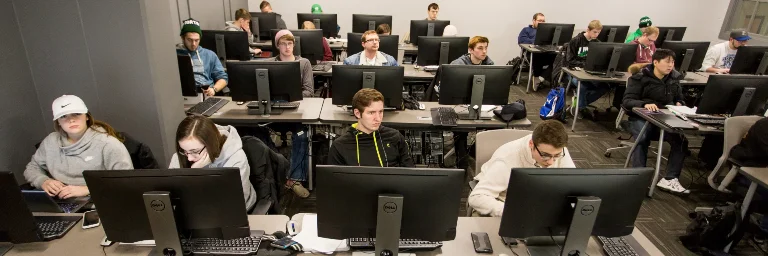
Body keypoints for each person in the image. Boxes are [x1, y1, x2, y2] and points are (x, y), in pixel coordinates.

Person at [24, 95, 133, 199]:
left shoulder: (108, 143)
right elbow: (32, 168)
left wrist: (87, 189)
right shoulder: (50, 142)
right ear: (58, 122)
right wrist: (43, 181)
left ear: (86, 116)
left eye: (76, 114)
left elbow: (126, 181)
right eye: (63, 116)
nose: (71, 120)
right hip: (61, 200)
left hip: (99, 200)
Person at [468, 120, 576, 217]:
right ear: (531, 144)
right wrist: (513, 212)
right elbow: (477, 197)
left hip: (537, 202)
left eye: (556, 156)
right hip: (505, 202)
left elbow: (573, 184)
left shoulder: (558, 150)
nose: (551, 161)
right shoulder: (507, 159)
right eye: (545, 155)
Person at [623, 49, 690, 194]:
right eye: (667, 62)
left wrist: (679, 103)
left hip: (664, 118)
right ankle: (638, 178)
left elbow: (679, 98)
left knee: (681, 140)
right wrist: (643, 104)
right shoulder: (639, 78)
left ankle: (670, 179)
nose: (670, 65)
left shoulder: (674, 78)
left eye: (672, 62)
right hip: (640, 117)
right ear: (655, 62)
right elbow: (627, 101)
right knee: (642, 137)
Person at [169, 115, 257, 210]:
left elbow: (231, 204)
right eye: (184, 150)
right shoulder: (181, 156)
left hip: (234, 212)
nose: (189, 158)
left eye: (194, 151)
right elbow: (173, 199)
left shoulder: (236, 159)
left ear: (211, 144)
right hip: (194, 213)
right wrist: (193, 173)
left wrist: (196, 176)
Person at [328, 88, 414, 167]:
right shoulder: (340, 146)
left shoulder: (395, 137)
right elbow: (334, 181)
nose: (378, 118)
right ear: (357, 113)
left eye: (380, 112)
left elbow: (410, 174)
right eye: (371, 113)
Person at [566, 20, 608, 120]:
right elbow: (569, 60)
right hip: (573, 71)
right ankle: (581, 107)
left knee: (604, 86)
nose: (596, 34)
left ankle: (579, 104)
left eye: (598, 32)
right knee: (583, 85)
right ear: (588, 30)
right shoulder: (576, 40)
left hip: (590, 72)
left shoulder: (598, 43)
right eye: (594, 32)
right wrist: (586, 65)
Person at [176, 18, 228, 97]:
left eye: (196, 40)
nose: (193, 44)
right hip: (183, 95)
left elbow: (223, 79)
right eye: (190, 40)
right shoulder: (175, 55)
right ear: (183, 38)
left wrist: (214, 89)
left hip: (207, 93)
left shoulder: (209, 55)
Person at [518, 13, 556, 90]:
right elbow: (521, 41)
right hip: (531, 54)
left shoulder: (548, 32)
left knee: (559, 58)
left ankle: (540, 78)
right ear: (534, 21)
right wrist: (536, 41)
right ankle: (538, 76)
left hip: (546, 52)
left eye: (543, 21)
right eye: (539, 21)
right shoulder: (526, 30)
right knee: (536, 55)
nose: (542, 23)